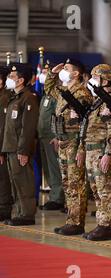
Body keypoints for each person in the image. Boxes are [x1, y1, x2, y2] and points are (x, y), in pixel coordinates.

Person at [46, 58, 93, 235]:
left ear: (76, 73)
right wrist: (52, 73)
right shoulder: (65, 90)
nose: (64, 70)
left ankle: (76, 222)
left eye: (67, 68)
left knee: (76, 183)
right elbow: (49, 89)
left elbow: (84, 123)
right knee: (67, 183)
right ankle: (71, 219)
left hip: (74, 142)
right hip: (63, 141)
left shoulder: (81, 93)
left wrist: (81, 147)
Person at [77, 64, 111, 241]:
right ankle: (101, 223)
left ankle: (105, 226)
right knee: (96, 190)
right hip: (91, 149)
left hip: (101, 150)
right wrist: (82, 148)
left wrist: (109, 153)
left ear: (105, 79)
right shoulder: (98, 100)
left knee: (105, 190)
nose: (92, 80)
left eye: (96, 77)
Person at [1, 63, 39, 226]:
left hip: (19, 148)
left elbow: (28, 127)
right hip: (10, 147)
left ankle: (27, 214)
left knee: (24, 181)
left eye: (12, 77)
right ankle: (21, 212)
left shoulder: (28, 98)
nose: (9, 79)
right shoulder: (14, 98)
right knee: (16, 180)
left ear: (21, 80)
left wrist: (23, 150)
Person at [37, 61, 65, 211]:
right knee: (48, 169)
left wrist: (57, 135)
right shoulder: (46, 94)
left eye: (48, 72)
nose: (45, 75)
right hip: (43, 135)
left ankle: (57, 197)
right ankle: (54, 195)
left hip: (53, 136)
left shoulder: (59, 92)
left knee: (55, 168)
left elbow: (60, 116)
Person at [0, 66, 13, 222]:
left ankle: (4, 208)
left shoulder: (5, 97)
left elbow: (3, 126)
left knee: (3, 178)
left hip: (2, 143)